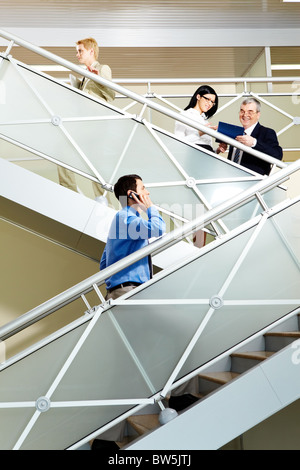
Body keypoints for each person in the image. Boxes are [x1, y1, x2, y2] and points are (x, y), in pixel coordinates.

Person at [58, 37, 115, 197]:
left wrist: (99, 79)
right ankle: (72, 191)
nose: (77, 54)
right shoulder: (85, 75)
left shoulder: (103, 68)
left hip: (96, 124)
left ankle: (99, 198)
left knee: (69, 151)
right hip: (85, 123)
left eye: (80, 51)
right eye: (77, 51)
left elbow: (111, 95)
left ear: (91, 51)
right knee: (93, 162)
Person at [100, 174, 166, 300]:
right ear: (131, 194)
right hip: (128, 290)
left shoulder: (125, 219)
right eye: (143, 188)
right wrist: (150, 208)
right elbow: (158, 228)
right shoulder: (125, 217)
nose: (147, 192)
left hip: (123, 290)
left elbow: (104, 264)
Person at [228, 97, 283, 175]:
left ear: (258, 115)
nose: (245, 115)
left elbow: (277, 155)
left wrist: (254, 143)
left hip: (255, 182)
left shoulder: (267, 132)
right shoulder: (236, 133)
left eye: (250, 112)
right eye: (242, 111)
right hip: (231, 178)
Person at [174, 85, 227, 154]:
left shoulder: (205, 120)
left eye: (212, 102)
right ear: (198, 97)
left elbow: (208, 148)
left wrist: (218, 150)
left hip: (207, 159)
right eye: (207, 99)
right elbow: (177, 143)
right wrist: (199, 133)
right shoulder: (185, 115)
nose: (210, 104)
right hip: (192, 156)